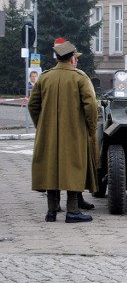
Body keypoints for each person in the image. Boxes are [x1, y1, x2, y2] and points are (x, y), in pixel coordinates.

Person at [28, 40, 99, 223]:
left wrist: (42, 125)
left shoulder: (44, 77)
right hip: (75, 132)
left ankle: (51, 211)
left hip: (48, 132)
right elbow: (90, 106)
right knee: (74, 167)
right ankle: (73, 211)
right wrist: (91, 128)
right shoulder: (79, 77)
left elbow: (33, 105)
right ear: (72, 59)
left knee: (51, 167)